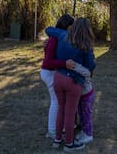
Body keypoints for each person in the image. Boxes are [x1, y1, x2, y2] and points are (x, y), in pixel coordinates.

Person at [47, 17, 96, 152]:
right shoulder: (85, 45)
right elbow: (91, 65)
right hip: (72, 81)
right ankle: (69, 144)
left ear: (73, 27)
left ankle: (57, 140)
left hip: (58, 77)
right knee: (70, 113)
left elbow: (48, 29)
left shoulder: (62, 35)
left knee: (61, 109)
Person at [40, 14, 75, 139]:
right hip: (48, 72)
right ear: (67, 26)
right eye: (72, 26)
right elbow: (48, 61)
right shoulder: (55, 39)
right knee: (56, 101)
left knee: (61, 101)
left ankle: (63, 126)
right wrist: (64, 64)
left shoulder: (59, 38)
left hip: (52, 72)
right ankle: (52, 130)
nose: (73, 29)